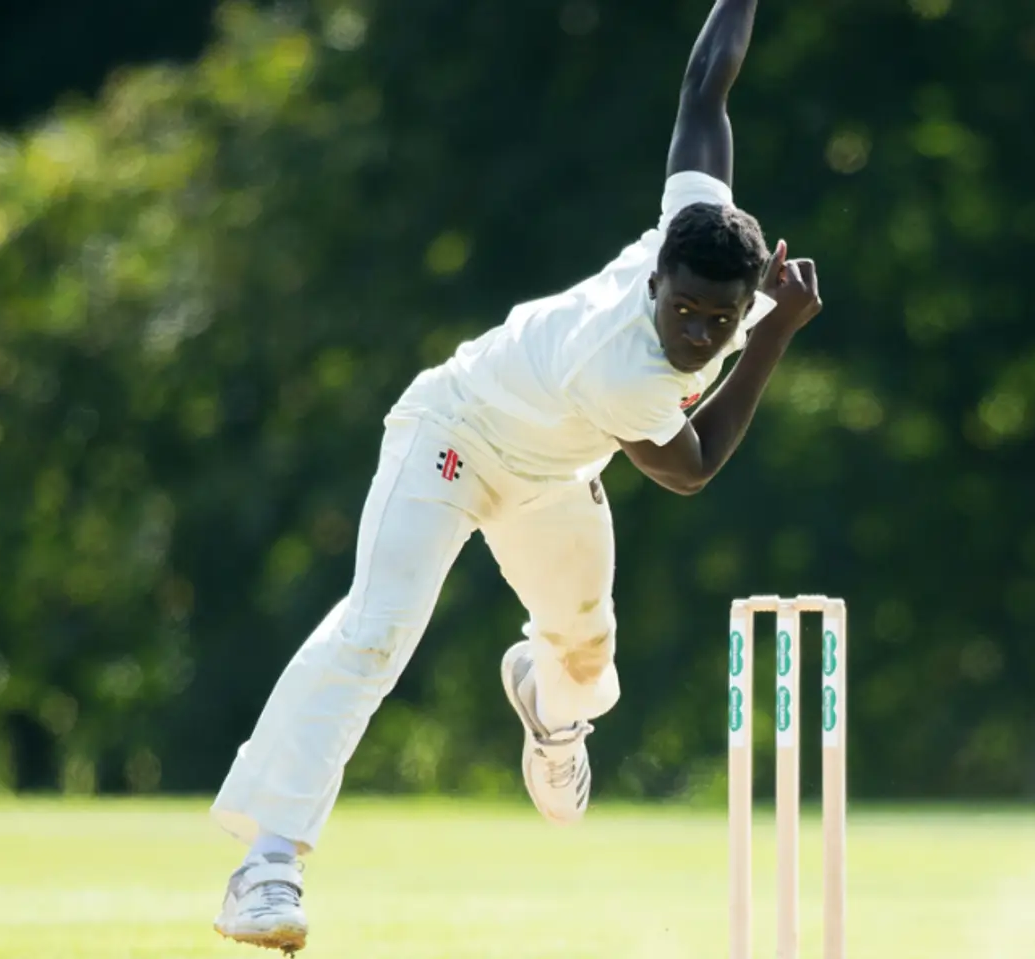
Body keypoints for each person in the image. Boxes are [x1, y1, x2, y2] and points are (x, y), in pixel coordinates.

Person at [206, 1, 822, 951]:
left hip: (554, 468)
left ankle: (547, 703)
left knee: (584, 649)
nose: (699, 334)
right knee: (377, 629)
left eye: (722, 320)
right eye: (687, 310)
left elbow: (708, 83)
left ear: (750, 284)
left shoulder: (697, 228)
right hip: (454, 438)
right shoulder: (623, 364)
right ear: (657, 274)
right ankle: (269, 864)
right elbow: (692, 469)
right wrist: (774, 335)